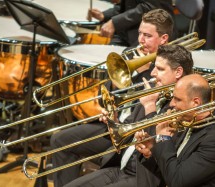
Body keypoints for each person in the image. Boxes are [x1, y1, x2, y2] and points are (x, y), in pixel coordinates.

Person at [50, 9, 174, 187]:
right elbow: (105, 96)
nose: (141, 40)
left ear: (163, 39)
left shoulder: (168, 66)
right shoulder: (131, 53)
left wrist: (142, 74)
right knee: (60, 140)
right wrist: (117, 88)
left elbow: (156, 106)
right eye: (139, 33)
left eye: (147, 35)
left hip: (136, 136)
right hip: (114, 126)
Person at [63, 44, 194, 187]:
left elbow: (159, 148)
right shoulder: (155, 92)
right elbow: (126, 130)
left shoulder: (182, 106)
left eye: (160, 69)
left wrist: (150, 107)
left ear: (178, 72)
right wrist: (113, 121)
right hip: (120, 167)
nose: (152, 73)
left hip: (144, 177)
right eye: (155, 67)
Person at [135, 74, 215, 187]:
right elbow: (170, 167)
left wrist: (163, 139)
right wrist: (152, 151)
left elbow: (177, 181)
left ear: (196, 102)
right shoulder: (189, 120)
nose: (172, 104)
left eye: (177, 99)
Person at [87, 0, 173, 47]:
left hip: (152, 34)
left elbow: (148, 7)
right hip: (129, 32)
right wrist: (104, 15)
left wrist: (114, 22)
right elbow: (129, 4)